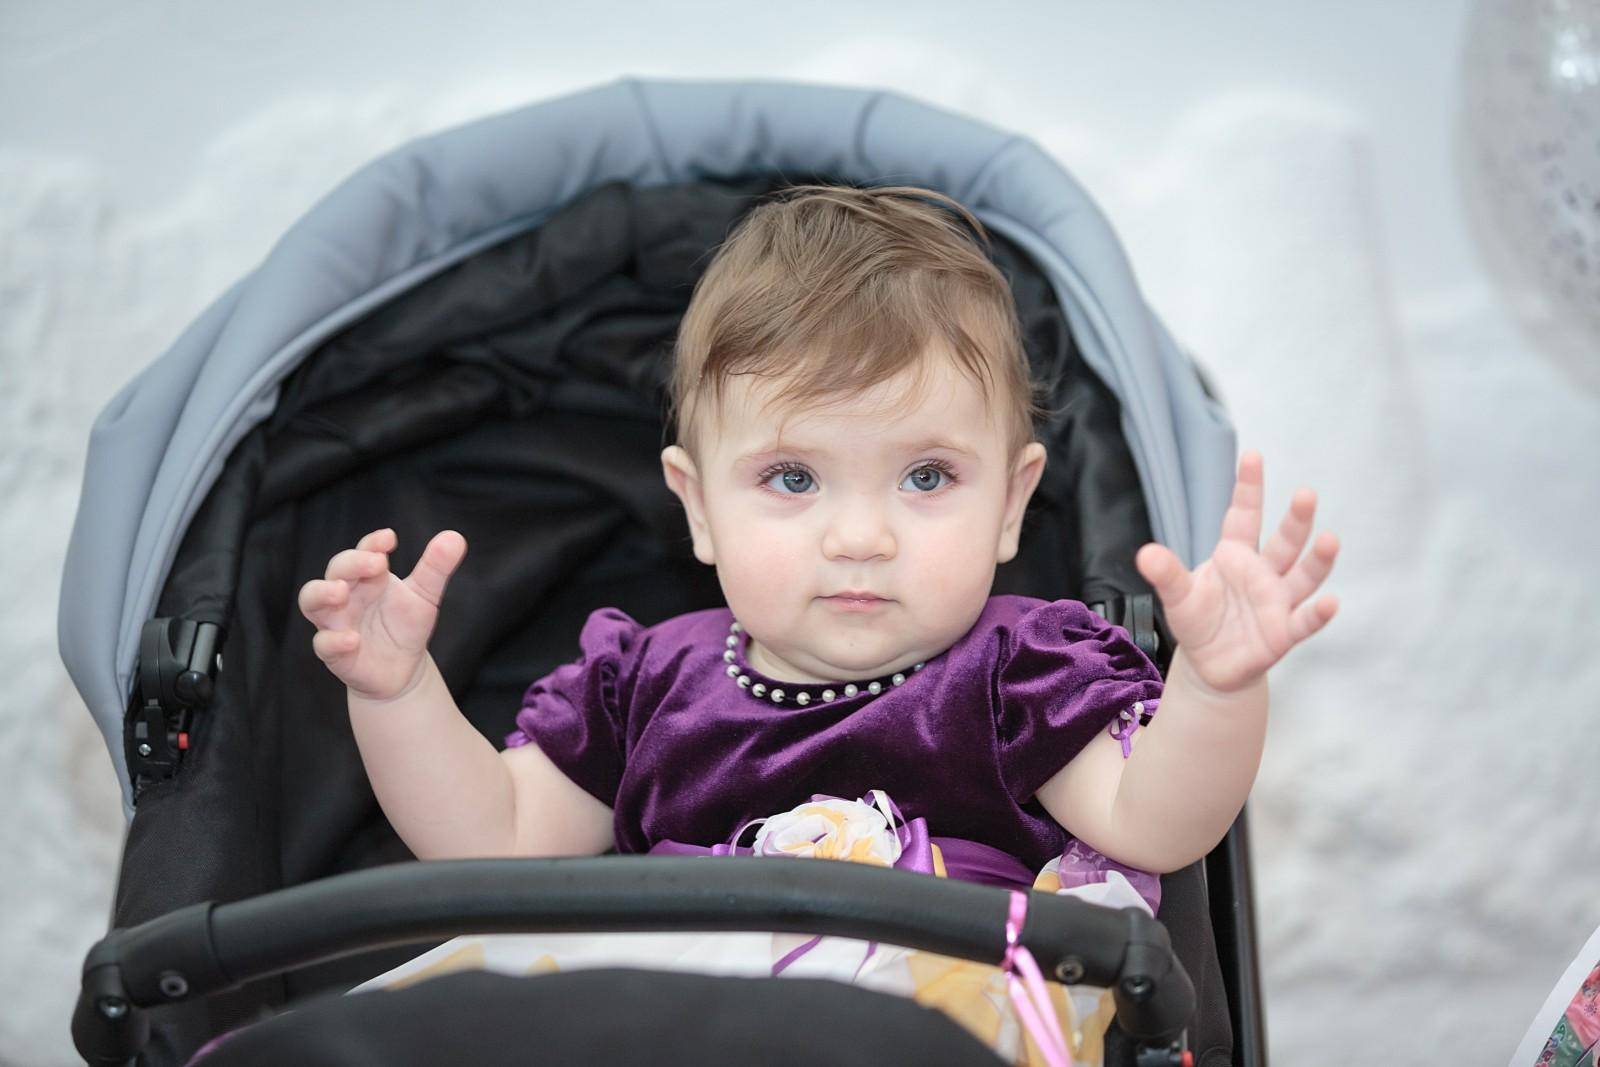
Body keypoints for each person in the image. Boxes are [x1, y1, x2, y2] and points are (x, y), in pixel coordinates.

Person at [297, 185, 1339, 1062]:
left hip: (919, 1015)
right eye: (792, 477)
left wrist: (1217, 684)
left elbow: (1156, 823)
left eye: (925, 476)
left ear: (1012, 502)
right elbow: (494, 839)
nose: (859, 536)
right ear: (698, 506)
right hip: (664, 1017)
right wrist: (399, 693)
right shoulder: (642, 683)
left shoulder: (1017, 672)